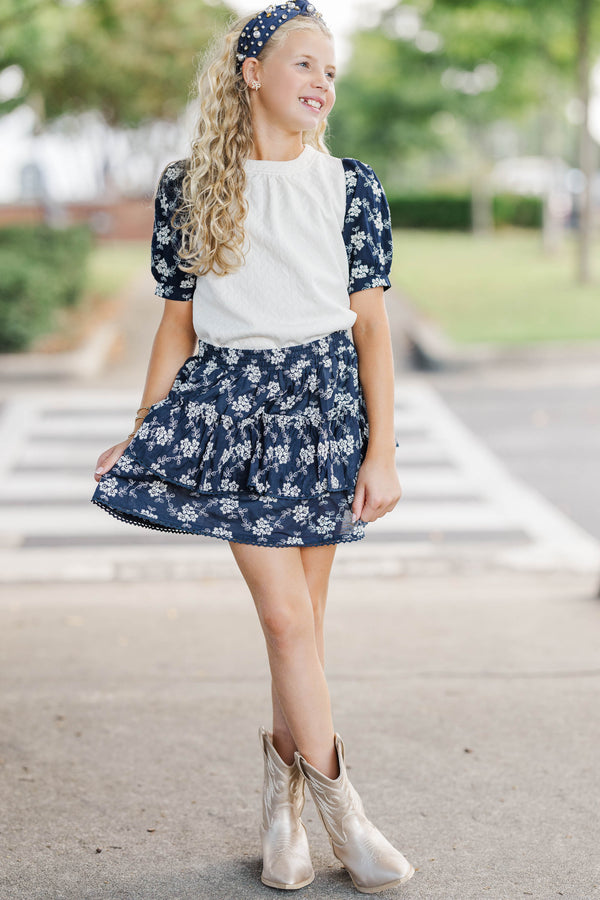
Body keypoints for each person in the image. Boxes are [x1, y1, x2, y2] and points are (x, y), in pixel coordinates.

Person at [91, 1, 414, 893]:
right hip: (231, 408)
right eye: (306, 64)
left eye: (332, 72)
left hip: (325, 411)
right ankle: (351, 823)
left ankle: (281, 814)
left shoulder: (351, 185)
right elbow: (176, 327)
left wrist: (381, 451)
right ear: (252, 73)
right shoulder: (191, 182)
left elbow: (373, 331)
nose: (322, 83)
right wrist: (144, 430)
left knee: (302, 632)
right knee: (284, 622)